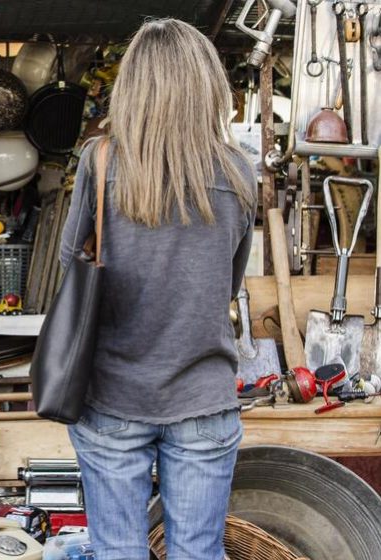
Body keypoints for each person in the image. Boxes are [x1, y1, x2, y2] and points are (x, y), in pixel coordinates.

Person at [59, 19, 257, 560]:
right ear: (207, 85)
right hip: (203, 395)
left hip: (113, 394)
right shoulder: (240, 173)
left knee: (118, 551)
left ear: (134, 84)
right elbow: (228, 282)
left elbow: (69, 271)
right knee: (197, 552)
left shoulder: (99, 162)